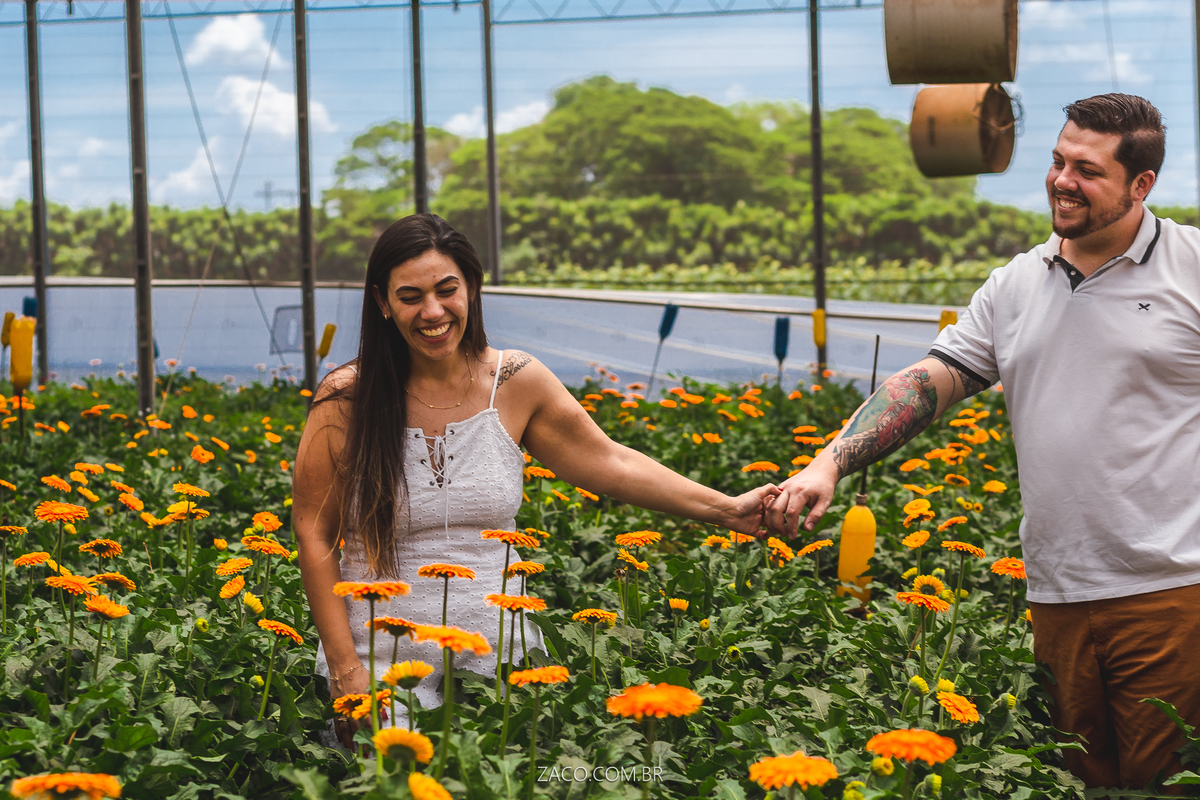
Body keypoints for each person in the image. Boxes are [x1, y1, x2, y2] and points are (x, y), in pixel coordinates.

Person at [765, 93, 1200, 790]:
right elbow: (928, 382)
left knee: (1165, 784)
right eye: (1058, 161)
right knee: (1076, 782)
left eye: (1088, 171)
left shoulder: (1191, 267)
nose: (1062, 181)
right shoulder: (1017, 284)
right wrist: (829, 463)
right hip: (1056, 591)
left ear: (1141, 184)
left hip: (1173, 590)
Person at [293, 213, 776, 746]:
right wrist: (346, 672)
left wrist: (729, 509)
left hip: (500, 666)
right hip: (380, 669)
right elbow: (315, 534)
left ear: (471, 288)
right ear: (383, 303)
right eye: (410, 297)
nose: (432, 312)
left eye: (447, 290)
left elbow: (613, 464)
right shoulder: (347, 397)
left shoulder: (515, 382)